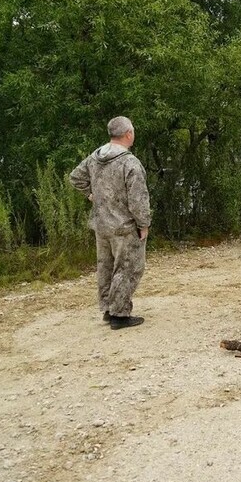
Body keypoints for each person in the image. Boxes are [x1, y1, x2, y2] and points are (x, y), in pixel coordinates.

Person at [70, 116, 151, 330]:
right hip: (124, 226)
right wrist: (144, 224)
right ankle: (120, 314)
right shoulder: (129, 162)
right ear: (128, 134)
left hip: (101, 224)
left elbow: (75, 177)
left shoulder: (95, 157)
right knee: (128, 267)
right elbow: (138, 199)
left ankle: (108, 308)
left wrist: (91, 194)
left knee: (105, 267)